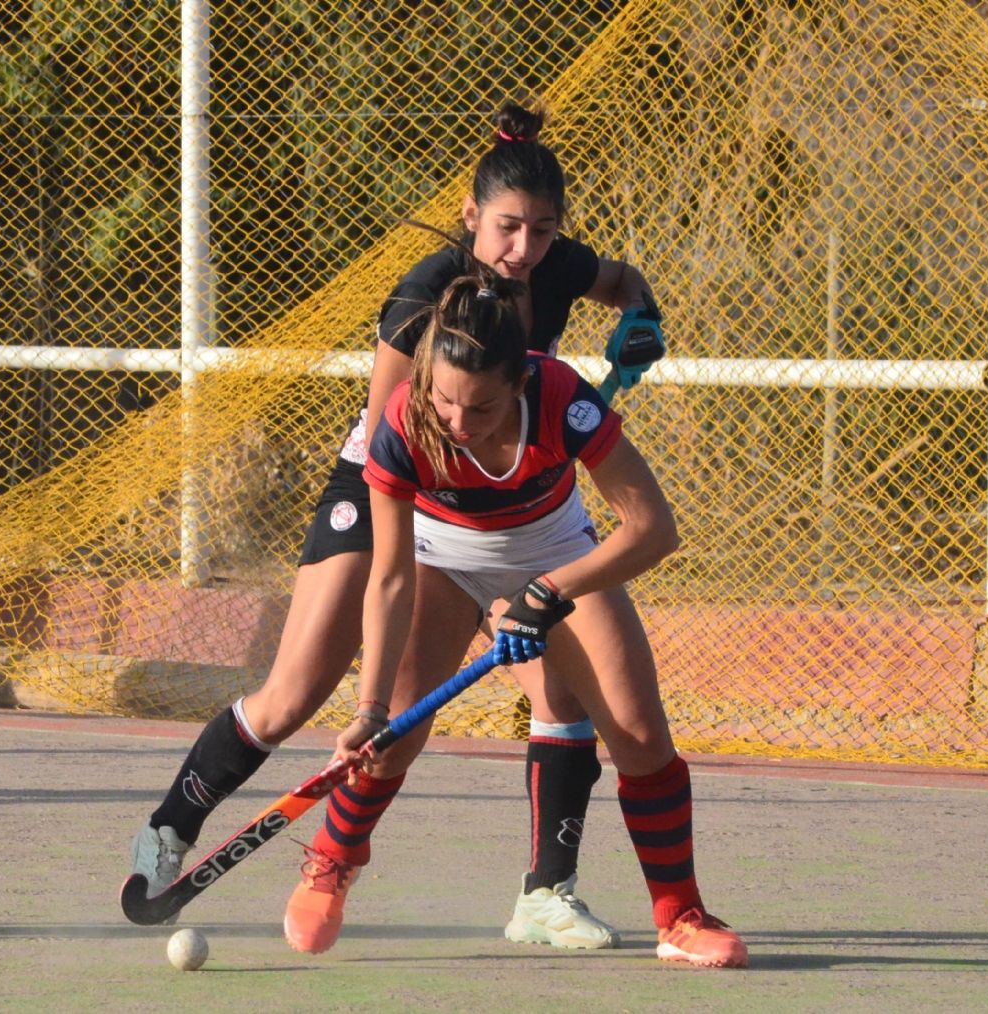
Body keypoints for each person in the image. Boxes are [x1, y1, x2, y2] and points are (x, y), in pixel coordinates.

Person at [126, 102, 666, 951]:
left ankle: (546, 894)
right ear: (470, 215)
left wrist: (642, 319)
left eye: (541, 231)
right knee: (295, 693)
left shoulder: (558, 265)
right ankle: (168, 832)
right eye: (507, 227)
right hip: (398, 482)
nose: (523, 248)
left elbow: (623, 281)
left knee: (562, 694)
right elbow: (394, 435)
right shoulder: (424, 294)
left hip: (497, 492)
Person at [284, 267, 748, 969]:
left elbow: (654, 529)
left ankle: (679, 916)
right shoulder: (403, 420)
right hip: (440, 556)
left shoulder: (562, 397)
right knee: (394, 736)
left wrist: (550, 589)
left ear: (520, 383)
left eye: (481, 408)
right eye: (445, 400)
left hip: (554, 551)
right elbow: (391, 577)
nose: (458, 423)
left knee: (639, 733)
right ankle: (333, 857)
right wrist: (369, 708)